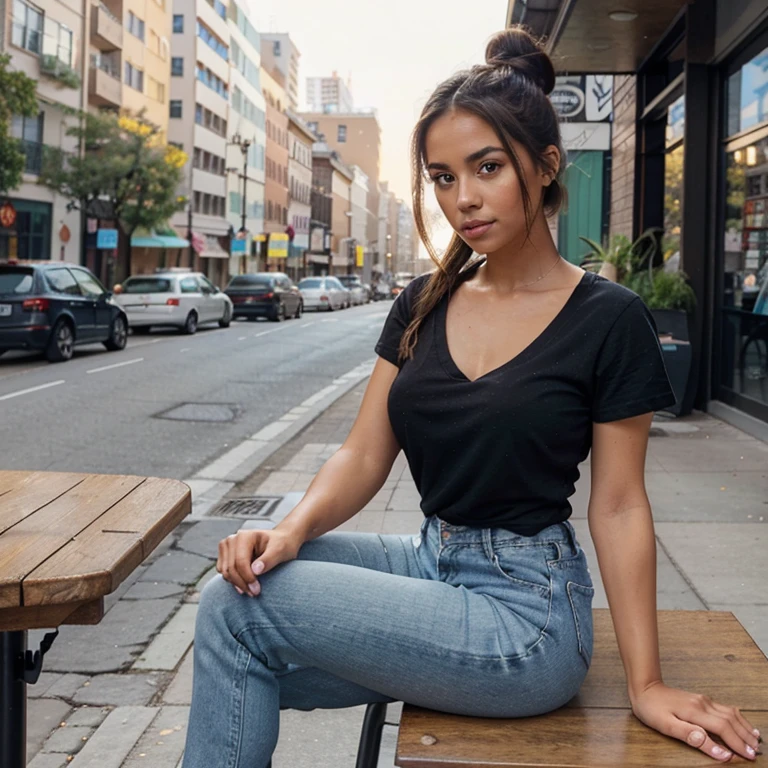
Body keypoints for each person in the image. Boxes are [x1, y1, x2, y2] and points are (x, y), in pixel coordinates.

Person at [182, 28, 761, 767]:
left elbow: (618, 504)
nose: (463, 198)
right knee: (250, 592)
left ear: (547, 166)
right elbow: (363, 453)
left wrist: (646, 683)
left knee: (234, 613)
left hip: (525, 616)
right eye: (444, 177)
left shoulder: (608, 318)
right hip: (431, 560)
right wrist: (292, 531)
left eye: (486, 168)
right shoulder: (424, 302)